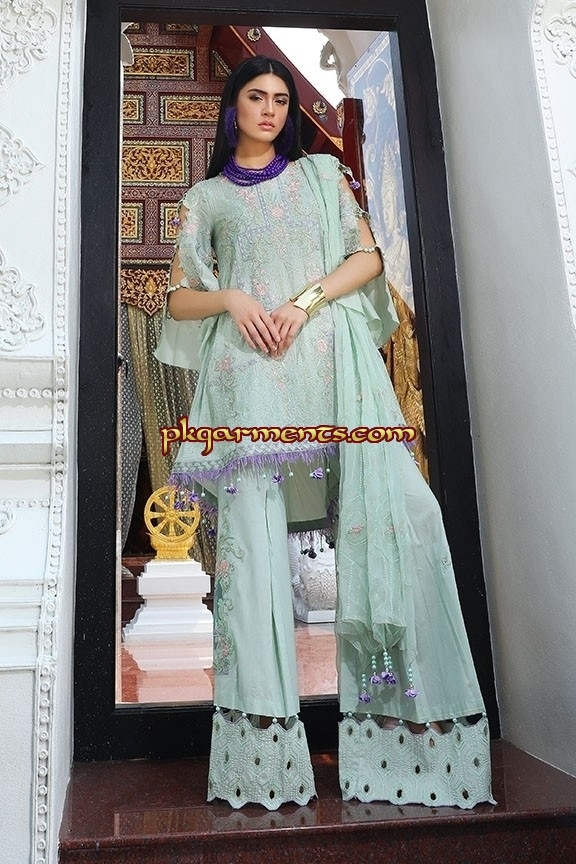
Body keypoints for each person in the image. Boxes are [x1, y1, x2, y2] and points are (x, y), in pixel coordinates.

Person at [156, 55, 494, 811]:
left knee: (408, 515)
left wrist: (303, 301)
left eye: (281, 99)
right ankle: (263, 759)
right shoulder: (206, 198)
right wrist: (231, 297)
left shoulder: (320, 176)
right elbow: (178, 299)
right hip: (250, 383)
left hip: (337, 375)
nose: (271, 110)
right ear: (233, 108)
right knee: (252, 555)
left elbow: (366, 258)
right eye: (256, 97)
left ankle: (410, 735)